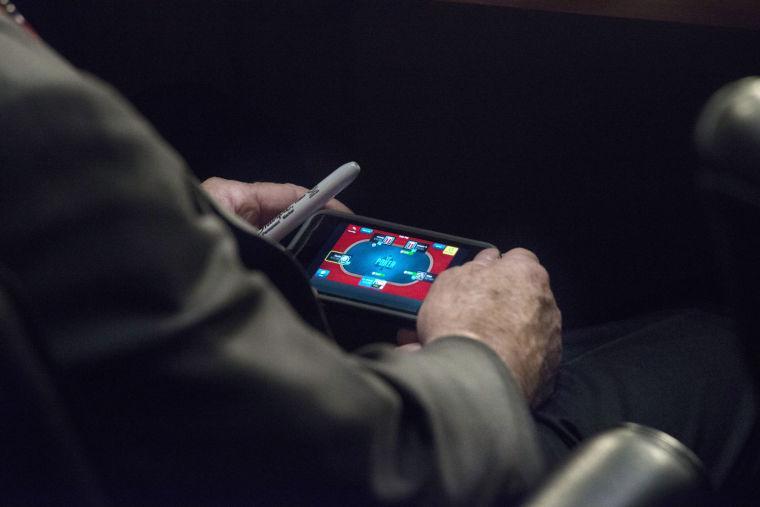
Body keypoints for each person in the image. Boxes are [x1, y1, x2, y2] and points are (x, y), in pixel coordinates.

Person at [0, 9, 756, 505]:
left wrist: (172, 229)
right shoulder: (30, 111)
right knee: (722, 351)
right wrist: (483, 353)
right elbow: (361, 472)